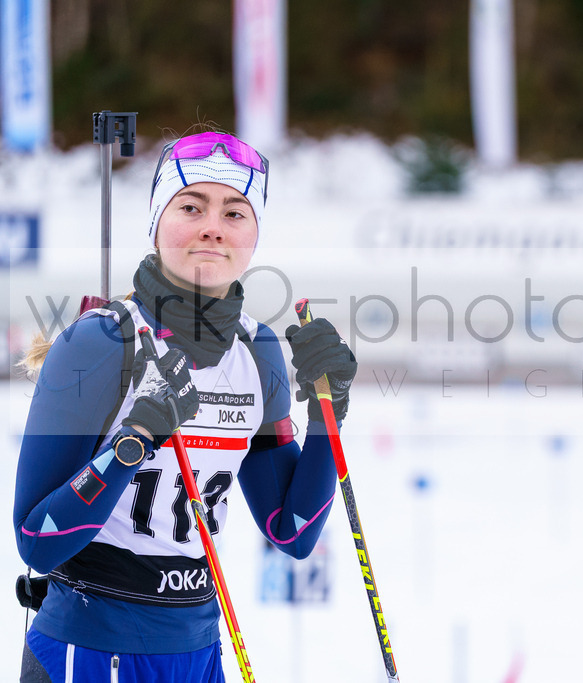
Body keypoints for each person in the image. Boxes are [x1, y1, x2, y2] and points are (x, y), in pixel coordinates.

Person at [13, 130, 357, 682]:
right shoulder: (101, 342)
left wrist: (327, 416)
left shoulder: (258, 351)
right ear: (156, 222)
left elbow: (291, 532)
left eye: (236, 213)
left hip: (198, 654)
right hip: (89, 654)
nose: (213, 227)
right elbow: (37, 542)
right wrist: (130, 447)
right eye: (191, 206)